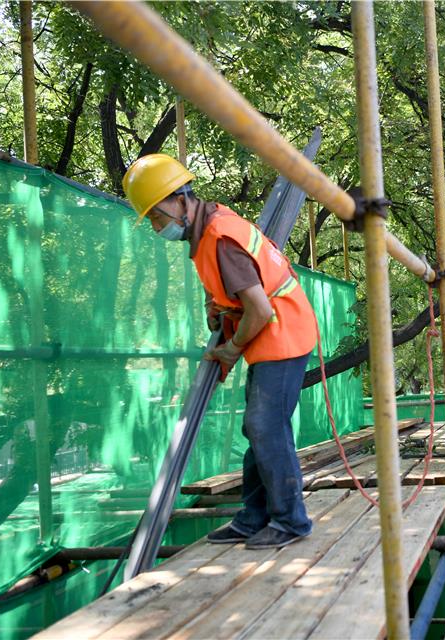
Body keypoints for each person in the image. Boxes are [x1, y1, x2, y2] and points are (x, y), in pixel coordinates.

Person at [122, 154, 317, 550]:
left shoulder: (220, 238)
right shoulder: (209, 229)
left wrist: (230, 349)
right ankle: (253, 517)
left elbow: (261, 308)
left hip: (283, 333)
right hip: (274, 333)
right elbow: (242, 293)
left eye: (157, 218)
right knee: (260, 427)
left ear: (178, 200)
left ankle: (291, 521)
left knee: (265, 426)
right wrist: (222, 307)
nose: (158, 228)